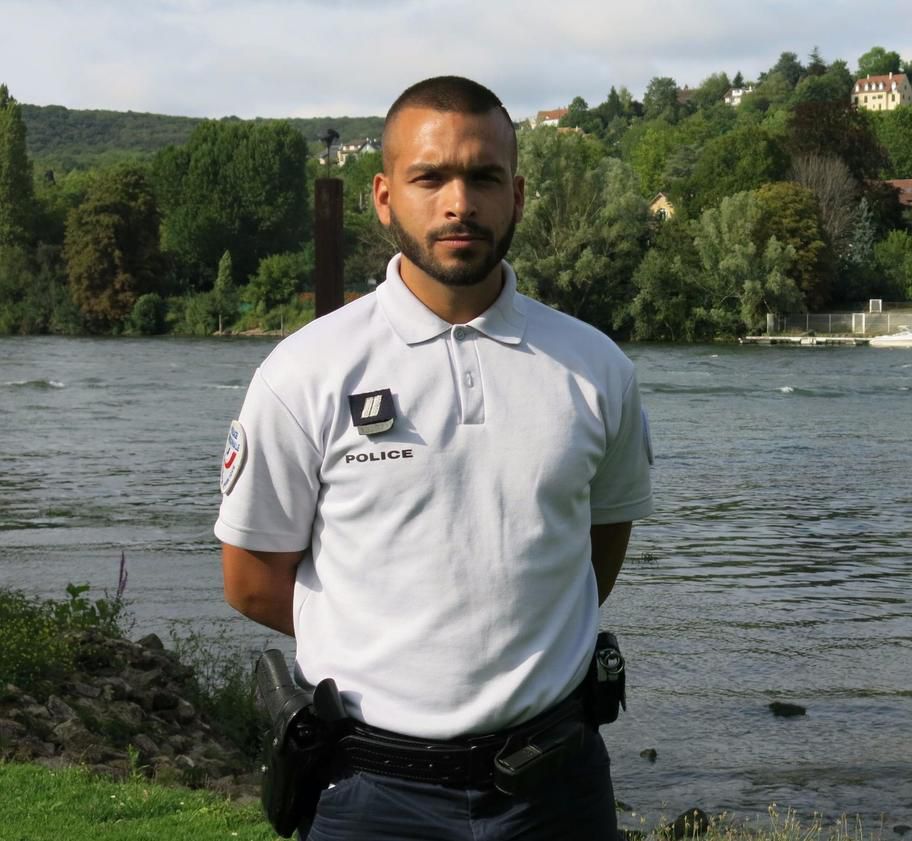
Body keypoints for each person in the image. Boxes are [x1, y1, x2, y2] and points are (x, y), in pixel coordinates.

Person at [215, 75, 653, 841]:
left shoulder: (595, 369)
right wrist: (389, 637)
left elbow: (594, 558)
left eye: (484, 177)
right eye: (431, 177)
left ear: (516, 195)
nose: (459, 202)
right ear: (383, 196)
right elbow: (251, 580)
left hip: (556, 790)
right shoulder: (305, 372)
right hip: (370, 795)